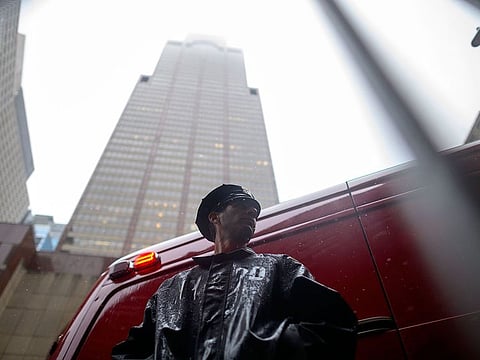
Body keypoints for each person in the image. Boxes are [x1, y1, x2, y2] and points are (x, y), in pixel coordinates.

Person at [112, 184, 358, 359]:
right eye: (242, 205)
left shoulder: (279, 267)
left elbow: (334, 326)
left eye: (255, 211)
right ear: (215, 217)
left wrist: (263, 348)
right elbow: (128, 352)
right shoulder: (172, 289)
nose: (252, 213)